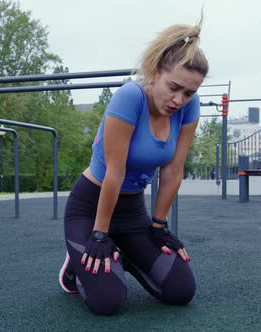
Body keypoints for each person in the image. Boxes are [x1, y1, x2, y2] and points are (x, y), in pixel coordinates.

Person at [58, 19, 209, 315]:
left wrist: (158, 225)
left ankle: (123, 254)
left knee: (181, 290)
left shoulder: (189, 107)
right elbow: (115, 171)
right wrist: (99, 234)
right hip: (91, 208)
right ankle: (76, 262)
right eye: (174, 87)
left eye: (189, 92)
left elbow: (173, 170)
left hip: (132, 214)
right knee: (108, 301)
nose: (180, 100)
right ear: (155, 73)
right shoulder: (130, 97)